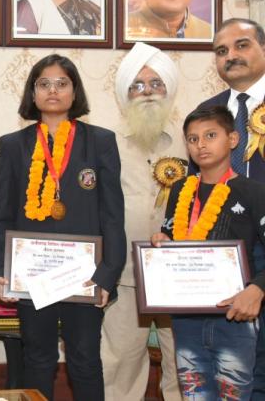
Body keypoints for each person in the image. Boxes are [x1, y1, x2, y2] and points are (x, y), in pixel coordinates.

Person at [0, 54, 126, 401]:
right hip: (33, 276)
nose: (53, 90)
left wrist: (107, 276)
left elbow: (112, 215)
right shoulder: (13, 145)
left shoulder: (101, 141)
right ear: (32, 94)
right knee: (37, 359)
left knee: (85, 361)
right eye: (44, 84)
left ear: (74, 91)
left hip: (86, 277)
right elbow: (1, 216)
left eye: (62, 83)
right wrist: (3, 271)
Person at [151, 105, 265, 400]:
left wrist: (257, 289)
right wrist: (161, 243)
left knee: (234, 394)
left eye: (210, 135)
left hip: (235, 316)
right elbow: (172, 238)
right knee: (194, 393)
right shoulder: (179, 192)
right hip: (186, 318)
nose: (201, 144)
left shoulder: (254, 192)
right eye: (192, 139)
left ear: (233, 139)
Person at [101, 42, 182, 401]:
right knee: (118, 365)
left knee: (184, 363)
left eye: (156, 83)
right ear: (124, 94)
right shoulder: (107, 145)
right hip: (126, 276)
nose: (147, 92)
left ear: (169, 89)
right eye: (137, 85)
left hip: (182, 278)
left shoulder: (191, 140)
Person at [197, 18, 265, 399]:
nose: (231, 56)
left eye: (242, 45)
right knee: (231, 373)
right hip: (222, 258)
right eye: (222, 51)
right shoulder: (206, 112)